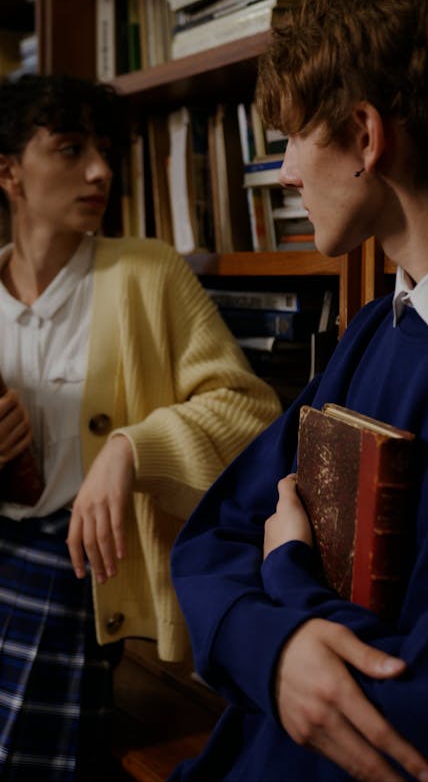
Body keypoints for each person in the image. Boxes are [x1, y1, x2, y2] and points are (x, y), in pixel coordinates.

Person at [168, 0, 428, 782]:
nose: (283, 175)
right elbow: (211, 539)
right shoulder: (375, 329)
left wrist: (285, 576)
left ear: (364, 136)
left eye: (291, 139)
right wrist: (277, 653)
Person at [0, 72, 281, 780]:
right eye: (69, 149)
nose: (100, 170)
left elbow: (249, 412)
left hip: (76, 579)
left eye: (104, 149)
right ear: (9, 174)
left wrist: (132, 447)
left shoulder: (147, 273)